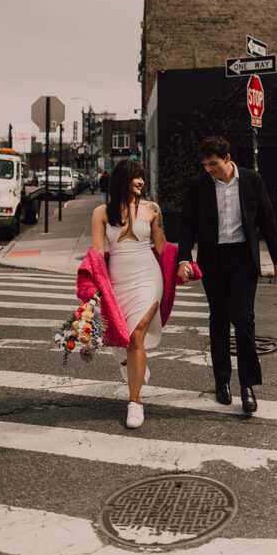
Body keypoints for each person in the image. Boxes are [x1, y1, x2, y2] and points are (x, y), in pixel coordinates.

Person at [177, 135, 277, 415]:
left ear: (227, 159)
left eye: (213, 164)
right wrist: (184, 258)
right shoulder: (198, 186)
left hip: (243, 259)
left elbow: (267, 219)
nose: (208, 169)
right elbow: (187, 224)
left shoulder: (252, 180)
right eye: (204, 164)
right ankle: (221, 381)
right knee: (219, 321)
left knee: (245, 320)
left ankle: (247, 386)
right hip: (213, 260)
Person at [88, 160, 170, 429]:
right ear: (122, 179)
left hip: (148, 277)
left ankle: (134, 402)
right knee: (120, 340)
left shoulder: (152, 209)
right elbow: (97, 253)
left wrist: (183, 265)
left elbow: (163, 248)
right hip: (118, 280)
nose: (141, 182)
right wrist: (93, 286)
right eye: (136, 177)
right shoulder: (101, 212)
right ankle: (131, 364)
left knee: (137, 336)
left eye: (143, 177)